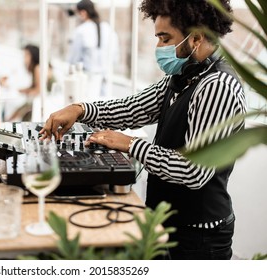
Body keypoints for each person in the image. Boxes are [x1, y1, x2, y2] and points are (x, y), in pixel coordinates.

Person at [40, 0, 246, 260]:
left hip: (198, 237)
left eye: (165, 38)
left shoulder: (218, 87)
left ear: (196, 38)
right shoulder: (182, 78)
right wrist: (79, 109)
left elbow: (193, 170)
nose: (159, 47)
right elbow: (132, 108)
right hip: (167, 220)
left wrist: (130, 144)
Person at [68, 0, 119, 99]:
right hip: (106, 79)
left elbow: (74, 59)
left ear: (83, 12)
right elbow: (115, 56)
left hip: (87, 81)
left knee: (88, 107)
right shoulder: (108, 29)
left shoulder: (81, 31)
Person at [7, 44, 54, 121]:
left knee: (20, 113)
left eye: (26, 55)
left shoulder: (38, 68)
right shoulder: (37, 68)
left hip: (46, 101)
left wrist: (25, 92)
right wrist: (21, 90)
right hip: (42, 99)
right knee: (17, 111)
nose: (24, 58)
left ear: (33, 55)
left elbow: (38, 90)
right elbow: (34, 87)